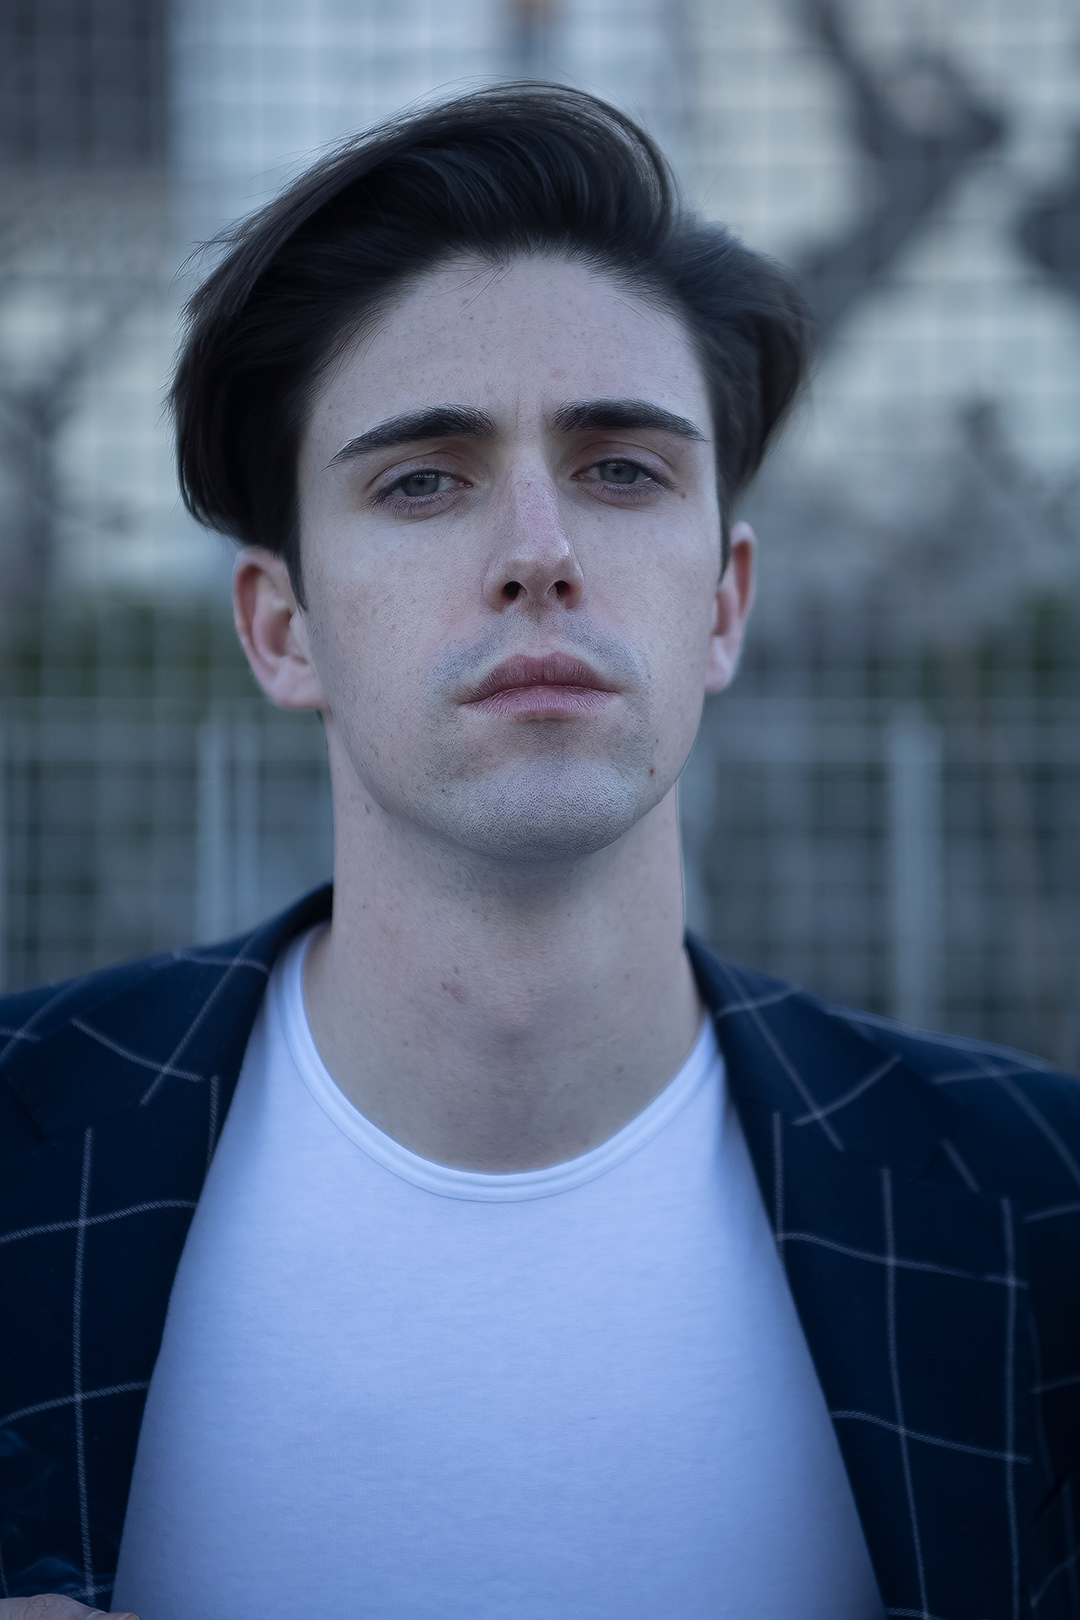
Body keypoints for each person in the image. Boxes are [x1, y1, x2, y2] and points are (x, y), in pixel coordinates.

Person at [1, 84, 1077, 1620]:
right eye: (422, 479)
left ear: (724, 603)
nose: (538, 552)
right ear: (280, 627)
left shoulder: (1043, 1212)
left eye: (623, 469)